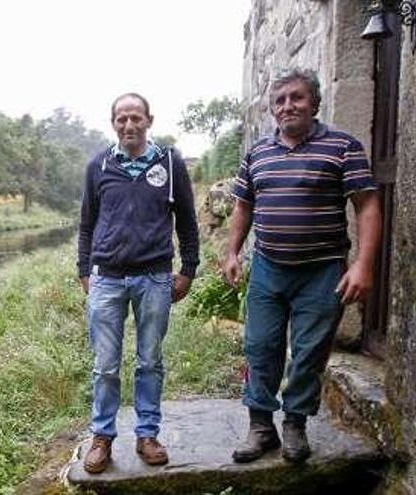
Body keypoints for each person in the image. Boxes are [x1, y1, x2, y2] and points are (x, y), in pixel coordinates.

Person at [222, 68, 381, 463]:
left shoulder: (343, 147)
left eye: (296, 97)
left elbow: (367, 205)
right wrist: (232, 253)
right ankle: (261, 427)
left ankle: (295, 424)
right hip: (268, 268)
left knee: (309, 353)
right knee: (260, 348)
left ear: (314, 102)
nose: (288, 106)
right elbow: (244, 205)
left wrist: (362, 265)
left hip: (322, 271)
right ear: (272, 109)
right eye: (280, 100)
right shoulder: (257, 153)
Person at [77, 92, 200, 474]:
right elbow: (86, 223)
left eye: (135, 118)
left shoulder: (169, 162)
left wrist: (188, 270)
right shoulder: (99, 165)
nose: (129, 125)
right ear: (113, 123)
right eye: (121, 119)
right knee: (106, 366)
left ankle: (147, 436)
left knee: (150, 361)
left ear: (149, 120)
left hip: (155, 277)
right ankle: (102, 439)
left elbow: (188, 221)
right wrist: (85, 271)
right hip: (107, 279)